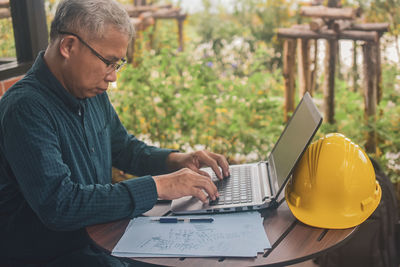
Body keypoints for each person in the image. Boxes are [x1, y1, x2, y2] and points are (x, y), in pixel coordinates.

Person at [0, 0, 229, 266]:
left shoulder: (88, 91)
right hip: (56, 256)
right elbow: (59, 205)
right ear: (68, 46)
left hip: (103, 240)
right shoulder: (25, 108)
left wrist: (176, 160)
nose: (113, 77)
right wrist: (159, 186)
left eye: (117, 64)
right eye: (109, 62)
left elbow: (123, 148)